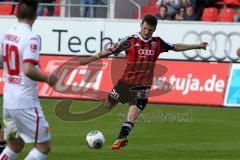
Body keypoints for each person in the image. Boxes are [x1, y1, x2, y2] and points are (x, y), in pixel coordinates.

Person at [75, 14, 208, 150]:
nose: (146, 32)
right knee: (107, 105)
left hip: (143, 86)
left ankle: (121, 138)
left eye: (150, 30)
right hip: (125, 83)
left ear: (154, 29)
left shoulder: (158, 43)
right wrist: (90, 59)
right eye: (144, 28)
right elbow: (109, 51)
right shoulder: (130, 40)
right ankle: (120, 130)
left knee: (133, 113)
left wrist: (197, 46)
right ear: (140, 25)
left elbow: (175, 46)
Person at [0, 0, 57, 159]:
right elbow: (28, 70)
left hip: (8, 100)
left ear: (16, 13)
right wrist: (48, 78)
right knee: (43, 147)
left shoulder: (7, 34)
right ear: (36, 15)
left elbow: (2, 61)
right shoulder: (32, 37)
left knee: (15, 144)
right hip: (25, 102)